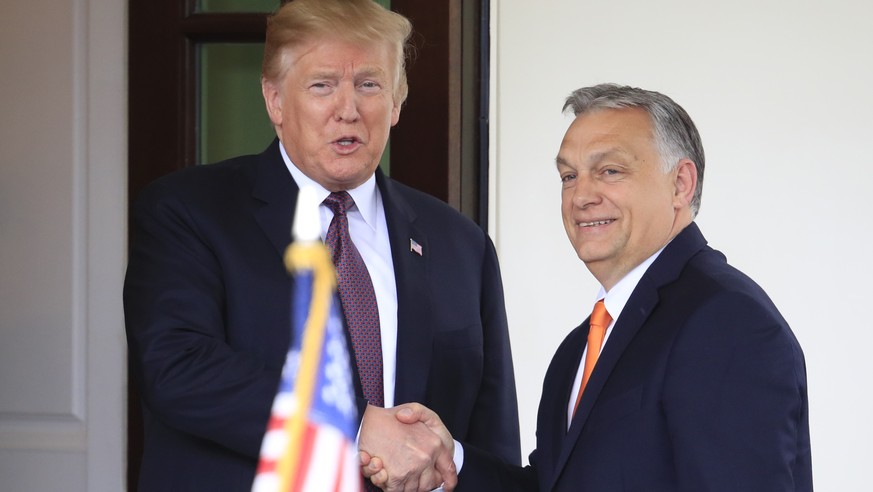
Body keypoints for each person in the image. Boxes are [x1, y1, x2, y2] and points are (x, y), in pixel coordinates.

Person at [122, 0, 520, 490]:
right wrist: (353, 427)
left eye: (369, 85)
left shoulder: (461, 243)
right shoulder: (189, 212)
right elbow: (178, 367)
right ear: (275, 101)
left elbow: (492, 441)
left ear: (396, 102)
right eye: (322, 85)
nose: (347, 109)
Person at [368, 83, 813, 491]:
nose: (581, 196)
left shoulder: (726, 322)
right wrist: (452, 460)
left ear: (681, 184)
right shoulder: (578, 349)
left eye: (610, 171)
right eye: (569, 176)